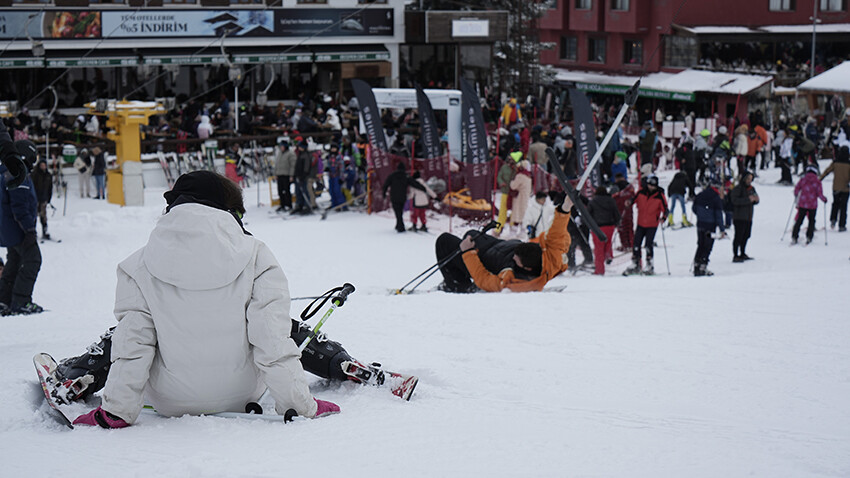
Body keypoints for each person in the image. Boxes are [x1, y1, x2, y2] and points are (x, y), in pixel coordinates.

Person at [69, 171, 340, 428]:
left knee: (121, 334)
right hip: (242, 394)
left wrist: (117, 410)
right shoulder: (257, 255)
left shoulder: (136, 264)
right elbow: (271, 337)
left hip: (170, 399)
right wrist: (300, 406)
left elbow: (133, 345)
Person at [434, 195, 573, 293]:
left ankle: (459, 285)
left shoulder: (511, 281)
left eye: (516, 259)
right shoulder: (551, 258)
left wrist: (468, 253)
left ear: (526, 268)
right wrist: (566, 207)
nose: (514, 258)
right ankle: (458, 276)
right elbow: (557, 232)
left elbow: (483, 278)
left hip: (485, 258)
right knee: (470, 234)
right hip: (494, 247)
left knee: (444, 241)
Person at [0, 140, 43, 315]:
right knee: (33, 260)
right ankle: (21, 300)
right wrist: (29, 231)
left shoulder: (4, 171)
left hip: (7, 230)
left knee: (14, 262)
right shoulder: (18, 173)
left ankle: (4, 299)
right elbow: (20, 206)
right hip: (18, 231)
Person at [624, 175, 668, 276]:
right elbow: (633, 199)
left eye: (653, 186)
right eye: (649, 185)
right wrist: (629, 202)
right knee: (636, 243)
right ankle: (636, 263)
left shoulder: (659, 195)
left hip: (652, 224)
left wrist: (663, 218)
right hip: (641, 223)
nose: (650, 187)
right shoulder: (641, 192)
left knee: (648, 244)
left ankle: (649, 264)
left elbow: (665, 209)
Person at [692, 178, 726, 277]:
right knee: (707, 246)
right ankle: (703, 265)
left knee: (700, 244)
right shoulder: (716, 198)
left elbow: (694, 208)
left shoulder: (700, 195)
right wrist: (722, 229)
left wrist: (700, 215)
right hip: (710, 226)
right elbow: (718, 215)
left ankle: (697, 265)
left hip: (700, 224)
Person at [382, 162, 426, 233]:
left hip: (394, 196)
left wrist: (384, 193)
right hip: (402, 197)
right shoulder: (406, 176)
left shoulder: (392, 175)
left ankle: (400, 227)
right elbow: (414, 183)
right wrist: (423, 188)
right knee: (400, 211)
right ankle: (398, 225)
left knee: (397, 211)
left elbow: (386, 185)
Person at [587, 185, 620, 275]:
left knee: (598, 249)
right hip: (610, 226)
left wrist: (588, 225)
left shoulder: (593, 202)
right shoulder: (611, 200)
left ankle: (599, 269)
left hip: (597, 227)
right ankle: (608, 255)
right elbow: (616, 212)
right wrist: (617, 222)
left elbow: (588, 214)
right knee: (608, 242)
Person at [791, 165, 828, 245]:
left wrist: (796, 194)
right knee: (811, 221)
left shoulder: (803, 179)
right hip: (812, 205)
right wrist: (824, 199)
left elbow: (797, 188)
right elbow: (819, 193)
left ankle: (794, 236)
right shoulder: (817, 181)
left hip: (803, 203)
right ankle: (809, 236)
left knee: (799, 220)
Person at [730, 170, 759, 262]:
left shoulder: (751, 188)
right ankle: (735, 254)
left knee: (746, 235)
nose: (749, 180)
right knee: (738, 236)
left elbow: (755, 199)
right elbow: (734, 201)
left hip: (748, 216)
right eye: (748, 179)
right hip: (739, 217)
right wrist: (748, 200)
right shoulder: (738, 188)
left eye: (751, 179)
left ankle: (742, 252)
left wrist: (756, 200)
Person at [819, 145, 850, 232]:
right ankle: (842, 225)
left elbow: (827, 171)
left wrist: (819, 179)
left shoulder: (835, 163)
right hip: (846, 188)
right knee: (844, 207)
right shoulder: (849, 164)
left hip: (836, 187)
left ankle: (833, 219)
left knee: (835, 203)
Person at [508, 159, 532, 237]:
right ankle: (522, 230)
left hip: (519, 198)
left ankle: (513, 231)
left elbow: (513, 186)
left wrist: (511, 181)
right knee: (523, 213)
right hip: (525, 198)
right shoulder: (529, 176)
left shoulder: (520, 176)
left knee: (517, 214)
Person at [612, 173, 635, 251]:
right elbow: (634, 197)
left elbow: (612, 199)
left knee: (622, 229)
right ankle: (631, 244)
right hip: (628, 210)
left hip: (618, 211)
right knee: (629, 227)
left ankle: (625, 245)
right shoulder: (630, 187)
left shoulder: (615, 187)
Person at [31, 158, 53, 240]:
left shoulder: (48, 175)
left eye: (44, 165)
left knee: (43, 216)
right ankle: (32, 232)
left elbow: (50, 188)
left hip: (44, 198)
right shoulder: (35, 175)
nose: (43, 167)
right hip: (35, 198)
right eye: (42, 165)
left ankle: (45, 231)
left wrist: (49, 198)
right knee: (34, 216)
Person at [291, 141, 313, 215]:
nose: (299, 148)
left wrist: (303, 175)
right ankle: (299, 204)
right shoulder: (299, 155)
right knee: (298, 191)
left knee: (304, 191)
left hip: (303, 177)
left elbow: (306, 167)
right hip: (298, 176)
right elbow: (297, 166)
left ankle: (307, 206)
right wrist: (295, 174)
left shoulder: (306, 155)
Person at [273, 140, 295, 212]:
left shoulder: (290, 154)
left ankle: (288, 205)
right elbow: (276, 164)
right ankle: (282, 205)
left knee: (287, 191)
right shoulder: (279, 154)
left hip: (286, 175)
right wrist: (275, 173)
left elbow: (293, 165)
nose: (281, 148)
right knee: (280, 191)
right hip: (280, 174)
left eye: (282, 146)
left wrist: (291, 175)